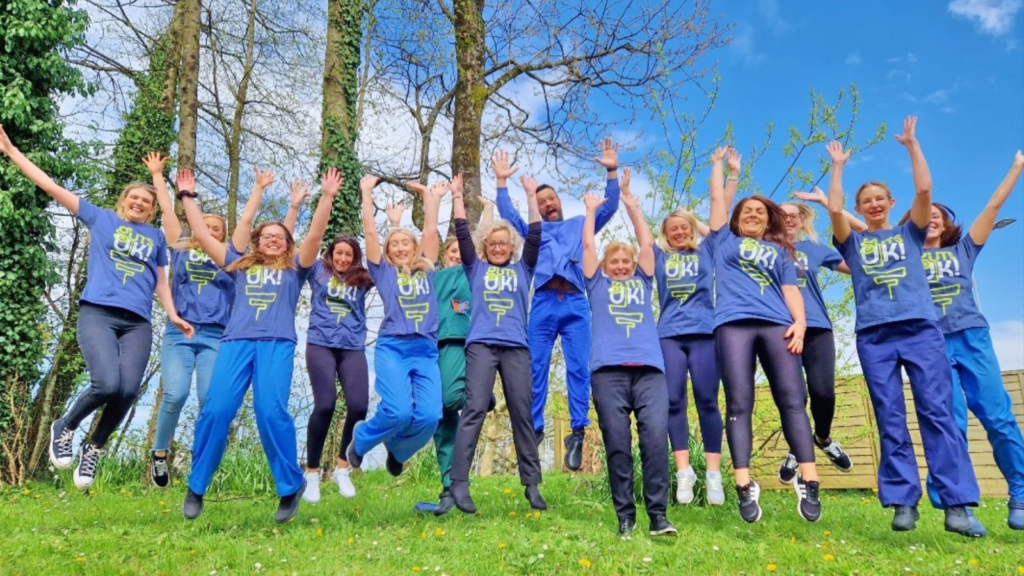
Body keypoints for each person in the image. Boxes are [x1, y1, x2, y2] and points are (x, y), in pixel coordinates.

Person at [0, 128, 194, 490]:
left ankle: (94, 446)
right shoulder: (101, 219)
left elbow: (162, 283)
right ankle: (66, 425)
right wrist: (11, 152)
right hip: (98, 313)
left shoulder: (155, 238)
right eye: (134, 198)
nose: (140, 203)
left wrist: (173, 314)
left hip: (137, 322)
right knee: (106, 383)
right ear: (123, 201)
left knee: (128, 389)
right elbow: (51, 187)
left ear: (151, 210)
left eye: (146, 201)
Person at [826, 116, 981, 536]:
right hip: (875, 336)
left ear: (892, 203)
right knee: (890, 415)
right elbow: (835, 209)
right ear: (860, 209)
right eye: (867, 200)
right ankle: (902, 501)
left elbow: (926, 191)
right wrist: (838, 167)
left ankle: (957, 506)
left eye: (880, 198)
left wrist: (912, 144)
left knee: (938, 413)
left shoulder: (911, 233)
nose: (873, 204)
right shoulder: (853, 242)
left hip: (919, 329)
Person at [181, 167, 340, 523]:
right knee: (216, 409)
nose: (272, 239)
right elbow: (205, 237)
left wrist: (326, 197)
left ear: (287, 243)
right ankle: (196, 486)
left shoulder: (296, 268)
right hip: (236, 343)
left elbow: (315, 235)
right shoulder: (238, 265)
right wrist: (188, 198)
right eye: (266, 236)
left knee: (271, 412)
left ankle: (289, 487)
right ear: (257, 241)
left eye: (279, 236)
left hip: (276, 344)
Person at [902, 150, 1024, 532]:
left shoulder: (964, 249)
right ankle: (957, 504)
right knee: (950, 425)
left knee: (998, 416)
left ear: (948, 224)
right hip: (929, 344)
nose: (933, 218)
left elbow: (993, 204)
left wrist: (1017, 167)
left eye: (940, 215)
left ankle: (1020, 494)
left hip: (971, 336)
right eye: (927, 215)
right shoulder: (902, 257)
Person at [706, 145, 822, 524]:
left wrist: (801, 324)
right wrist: (724, 169)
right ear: (737, 220)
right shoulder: (723, 241)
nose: (753, 214)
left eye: (759, 211)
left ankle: (809, 479)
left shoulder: (782, 250)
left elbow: (792, 292)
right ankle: (743, 484)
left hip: (777, 325)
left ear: (767, 219)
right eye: (746, 211)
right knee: (739, 403)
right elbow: (717, 202)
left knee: (793, 400)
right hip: (733, 325)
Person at [493, 141, 621, 470]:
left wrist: (611, 171)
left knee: (579, 368)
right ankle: (534, 431)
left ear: (560, 202)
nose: (548, 204)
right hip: (545, 304)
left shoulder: (580, 223)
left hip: (576, 304)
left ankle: (576, 432)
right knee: (535, 368)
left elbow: (609, 207)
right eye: (541, 201)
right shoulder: (533, 230)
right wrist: (503, 183)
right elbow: (508, 215)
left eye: (551, 199)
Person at [386, 198, 497, 515]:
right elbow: (401, 258)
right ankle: (449, 485)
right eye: (452, 253)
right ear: (442, 257)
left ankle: (478, 397)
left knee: (449, 401)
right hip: (425, 348)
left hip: (460, 342)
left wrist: (487, 212)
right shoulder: (430, 277)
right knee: (437, 419)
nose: (457, 256)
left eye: (461, 253)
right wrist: (395, 224)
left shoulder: (471, 274)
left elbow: (481, 241)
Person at [447, 173, 546, 515]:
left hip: (516, 346)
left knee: (522, 410)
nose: (499, 247)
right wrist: (457, 196)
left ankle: (532, 485)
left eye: (504, 243)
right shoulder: (475, 269)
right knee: (474, 407)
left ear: (511, 246)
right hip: (482, 346)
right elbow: (462, 232)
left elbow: (536, 235)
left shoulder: (524, 270)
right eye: (493, 243)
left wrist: (531, 196)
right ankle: (459, 483)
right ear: (486, 246)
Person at [581, 183, 676, 537]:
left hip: (650, 372)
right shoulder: (596, 285)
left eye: (625, 261)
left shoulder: (644, 280)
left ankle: (658, 516)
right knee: (617, 443)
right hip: (608, 373)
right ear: (605, 266)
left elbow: (649, 245)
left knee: (654, 439)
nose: (620, 265)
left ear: (633, 264)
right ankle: (625, 516)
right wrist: (591, 211)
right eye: (614, 261)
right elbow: (588, 245)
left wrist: (633, 207)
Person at [144, 153, 235, 488]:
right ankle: (159, 455)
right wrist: (157, 175)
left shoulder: (229, 258)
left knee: (210, 401)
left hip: (215, 337)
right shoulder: (181, 247)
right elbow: (168, 212)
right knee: (175, 394)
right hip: (180, 331)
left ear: (222, 236)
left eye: (216, 229)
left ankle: (201, 464)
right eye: (205, 226)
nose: (209, 231)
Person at [656, 148, 741, 506]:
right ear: (666, 234)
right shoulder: (658, 257)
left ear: (692, 230)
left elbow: (719, 211)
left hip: (706, 334)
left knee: (708, 400)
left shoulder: (709, 251)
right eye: (672, 228)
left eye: (684, 227)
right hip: (670, 336)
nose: (678, 232)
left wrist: (724, 171)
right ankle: (684, 473)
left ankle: (713, 474)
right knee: (673, 401)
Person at [344, 175, 444, 479]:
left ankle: (397, 451)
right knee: (398, 411)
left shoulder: (427, 270)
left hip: (426, 350)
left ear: (415, 248)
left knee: (430, 416)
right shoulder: (384, 272)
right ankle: (359, 442)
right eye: (394, 245)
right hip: (394, 348)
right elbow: (371, 233)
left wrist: (429, 197)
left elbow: (429, 229)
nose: (400, 247)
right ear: (388, 253)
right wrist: (365, 193)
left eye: (405, 243)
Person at [775, 194, 855, 483]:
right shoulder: (766, 249)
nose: (789, 218)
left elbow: (858, 264)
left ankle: (821, 437)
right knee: (793, 396)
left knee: (823, 392)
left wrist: (832, 207)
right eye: (783, 214)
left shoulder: (814, 248)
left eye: (794, 214)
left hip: (817, 327)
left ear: (802, 219)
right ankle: (799, 448)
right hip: (781, 330)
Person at [301, 227, 373, 504]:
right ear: (331, 253)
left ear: (355, 258)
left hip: (352, 347)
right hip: (320, 344)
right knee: (325, 405)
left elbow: (387, 269)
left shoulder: (363, 278)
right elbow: (309, 244)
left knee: (359, 406)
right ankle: (312, 473)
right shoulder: (317, 271)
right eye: (339, 253)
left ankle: (343, 468)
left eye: (349, 255)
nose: (343, 259)